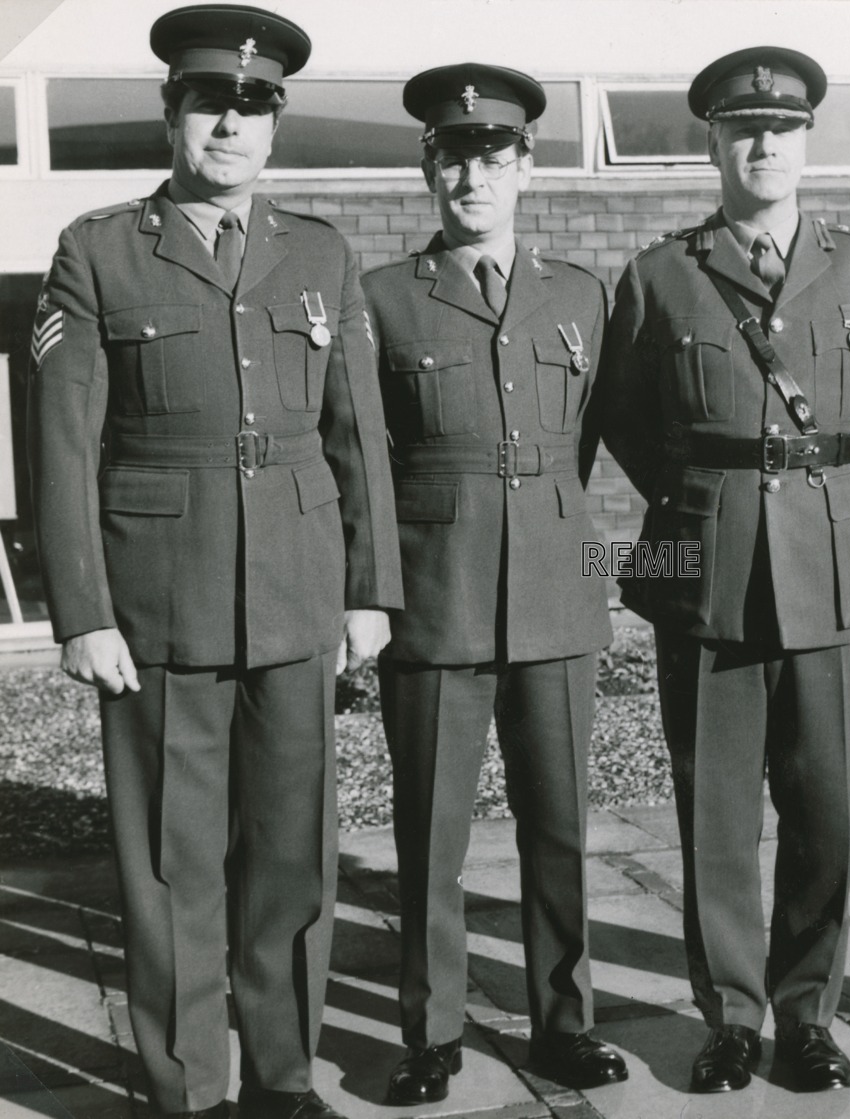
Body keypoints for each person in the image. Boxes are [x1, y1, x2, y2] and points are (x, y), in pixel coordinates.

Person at [25, 6, 403, 1118]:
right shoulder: (98, 249)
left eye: (253, 106)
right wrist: (82, 612)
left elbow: (357, 436)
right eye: (210, 103)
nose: (230, 124)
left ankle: (282, 1083)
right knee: (170, 869)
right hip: (158, 606)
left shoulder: (321, 252)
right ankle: (186, 1089)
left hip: (295, 596)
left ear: (274, 124)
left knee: (291, 864)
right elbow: (61, 446)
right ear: (172, 112)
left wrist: (369, 589)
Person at [598, 46, 850, 1095]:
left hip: (828, 570)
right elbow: (631, 426)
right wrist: (713, 498)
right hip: (705, 567)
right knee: (715, 814)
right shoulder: (657, 276)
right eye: (742, 129)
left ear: (805, 141)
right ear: (713, 144)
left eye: (780, 128)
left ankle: (806, 1013)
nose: (762, 144)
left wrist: (815, 491)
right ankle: (730, 1013)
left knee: (822, 808)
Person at [361, 64, 627, 1105]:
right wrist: (374, 598)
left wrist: (590, 558)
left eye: (492, 157)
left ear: (525, 168)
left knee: (558, 823)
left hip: (557, 593)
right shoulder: (384, 298)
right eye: (452, 157)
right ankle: (428, 1029)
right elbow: (369, 462)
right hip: (436, 595)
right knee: (431, 830)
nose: (472, 176)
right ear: (428, 169)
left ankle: (565, 1021)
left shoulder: (579, 295)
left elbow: (586, 444)